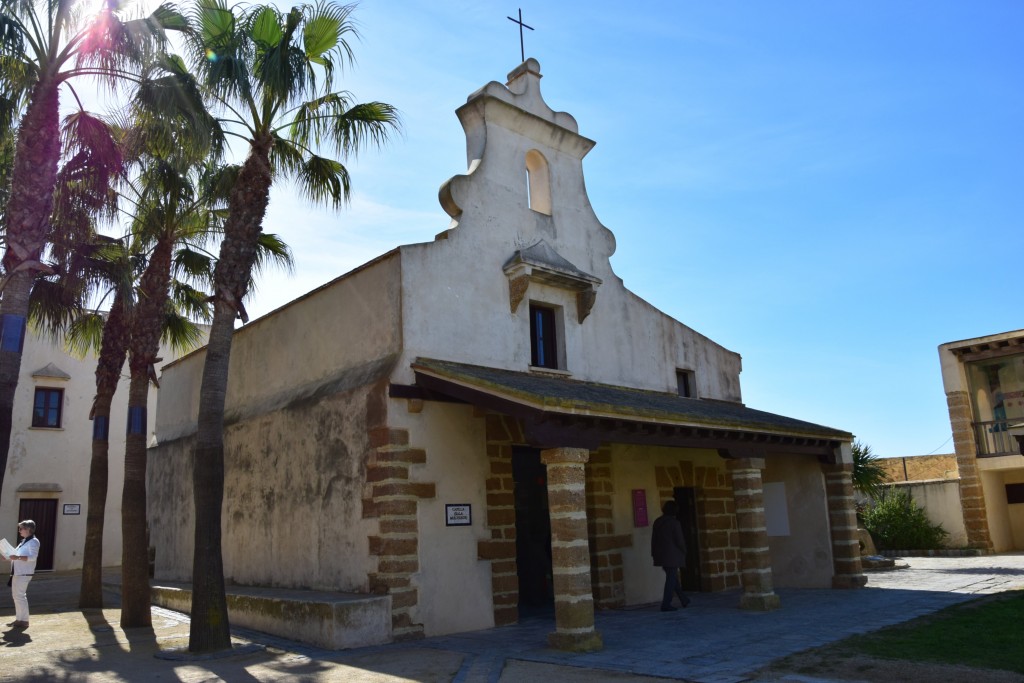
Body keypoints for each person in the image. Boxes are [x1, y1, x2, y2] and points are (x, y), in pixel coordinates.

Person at [651, 500, 689, 612]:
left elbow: (654, 539)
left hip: (661, 554)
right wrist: (684, 550)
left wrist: (653, 553)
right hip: (672, 555)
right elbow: (679, 540)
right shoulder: (674, 523)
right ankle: (666, 604)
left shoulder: (658, 521)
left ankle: (684, 599)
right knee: (671, 579)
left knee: (672, 578)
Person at [8, 520, 39, 629]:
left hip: (24, 573)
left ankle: (24, 620)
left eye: (21, 528)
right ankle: (19, 619)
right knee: (17, 596)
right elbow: (16, 555)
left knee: (20, 596)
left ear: (28, 529)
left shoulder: (34, 541)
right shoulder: (24, 541)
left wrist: (17, 557)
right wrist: (8, 556)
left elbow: (32, 557)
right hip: (18, 572)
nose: (19, 531)